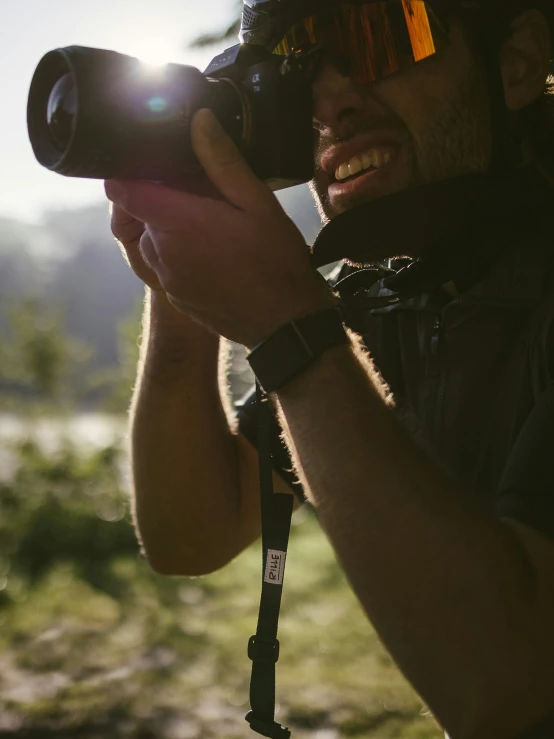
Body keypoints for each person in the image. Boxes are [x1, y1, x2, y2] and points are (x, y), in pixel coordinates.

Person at [105, 0, 554, 736]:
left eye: (384, 39)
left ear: (515, 62)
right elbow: (190, 532)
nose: (330, 102)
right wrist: (177, 277)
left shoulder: (323, 326)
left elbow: (507, 686)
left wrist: (293, 334)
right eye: (297, 72)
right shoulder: (383, 305)